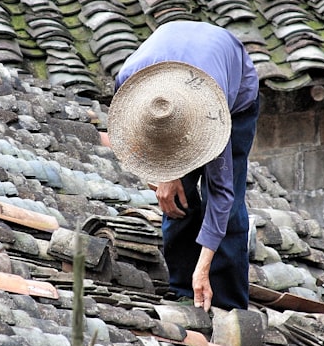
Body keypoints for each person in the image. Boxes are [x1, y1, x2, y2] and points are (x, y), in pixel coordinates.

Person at [108, 21, 260, 311]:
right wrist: (163, 176)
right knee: (175, 197)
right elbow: (136, 147)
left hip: (233, 97)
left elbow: (221, 194)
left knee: (229, 211)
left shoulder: (214, 115)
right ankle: (182, 288)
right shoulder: (128, 84)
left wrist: (203, 268)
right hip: (176, 55)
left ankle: (225, 299)